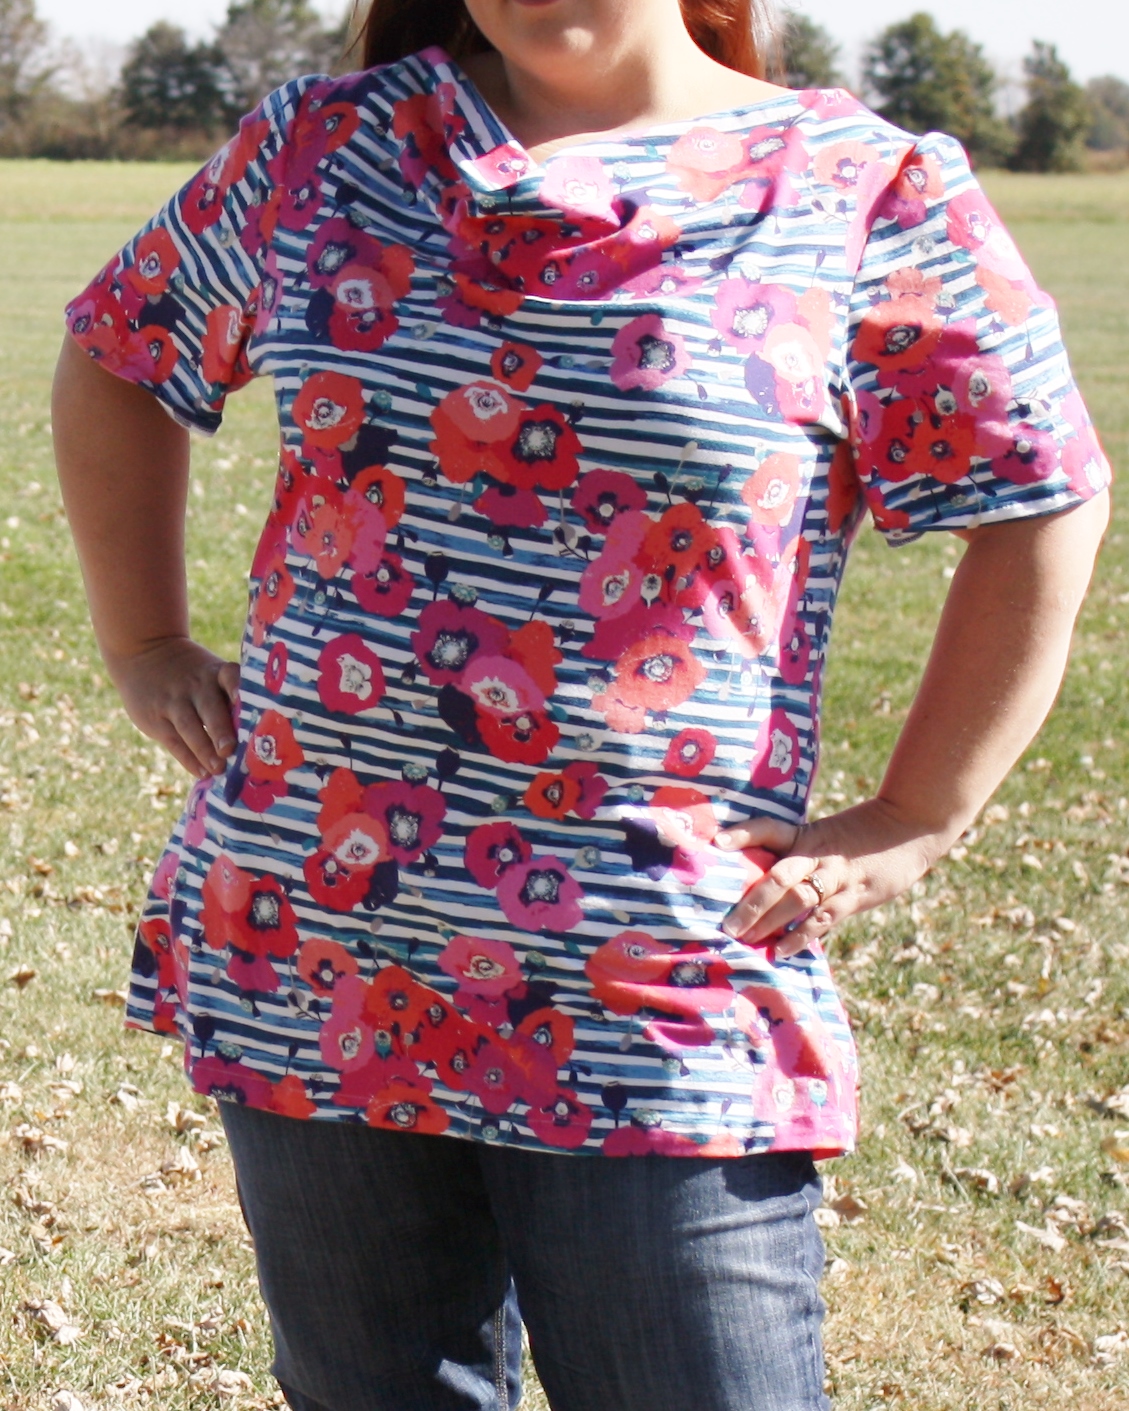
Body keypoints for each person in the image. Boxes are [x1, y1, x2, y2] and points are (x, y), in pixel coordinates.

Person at [53, 1, 1111, 1407]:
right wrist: (144, 641)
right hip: (318, 949)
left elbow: (1038, 492)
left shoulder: (859, 189)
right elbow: (121, 353)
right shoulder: (325, 149)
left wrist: (920, 811)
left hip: (655, 979)